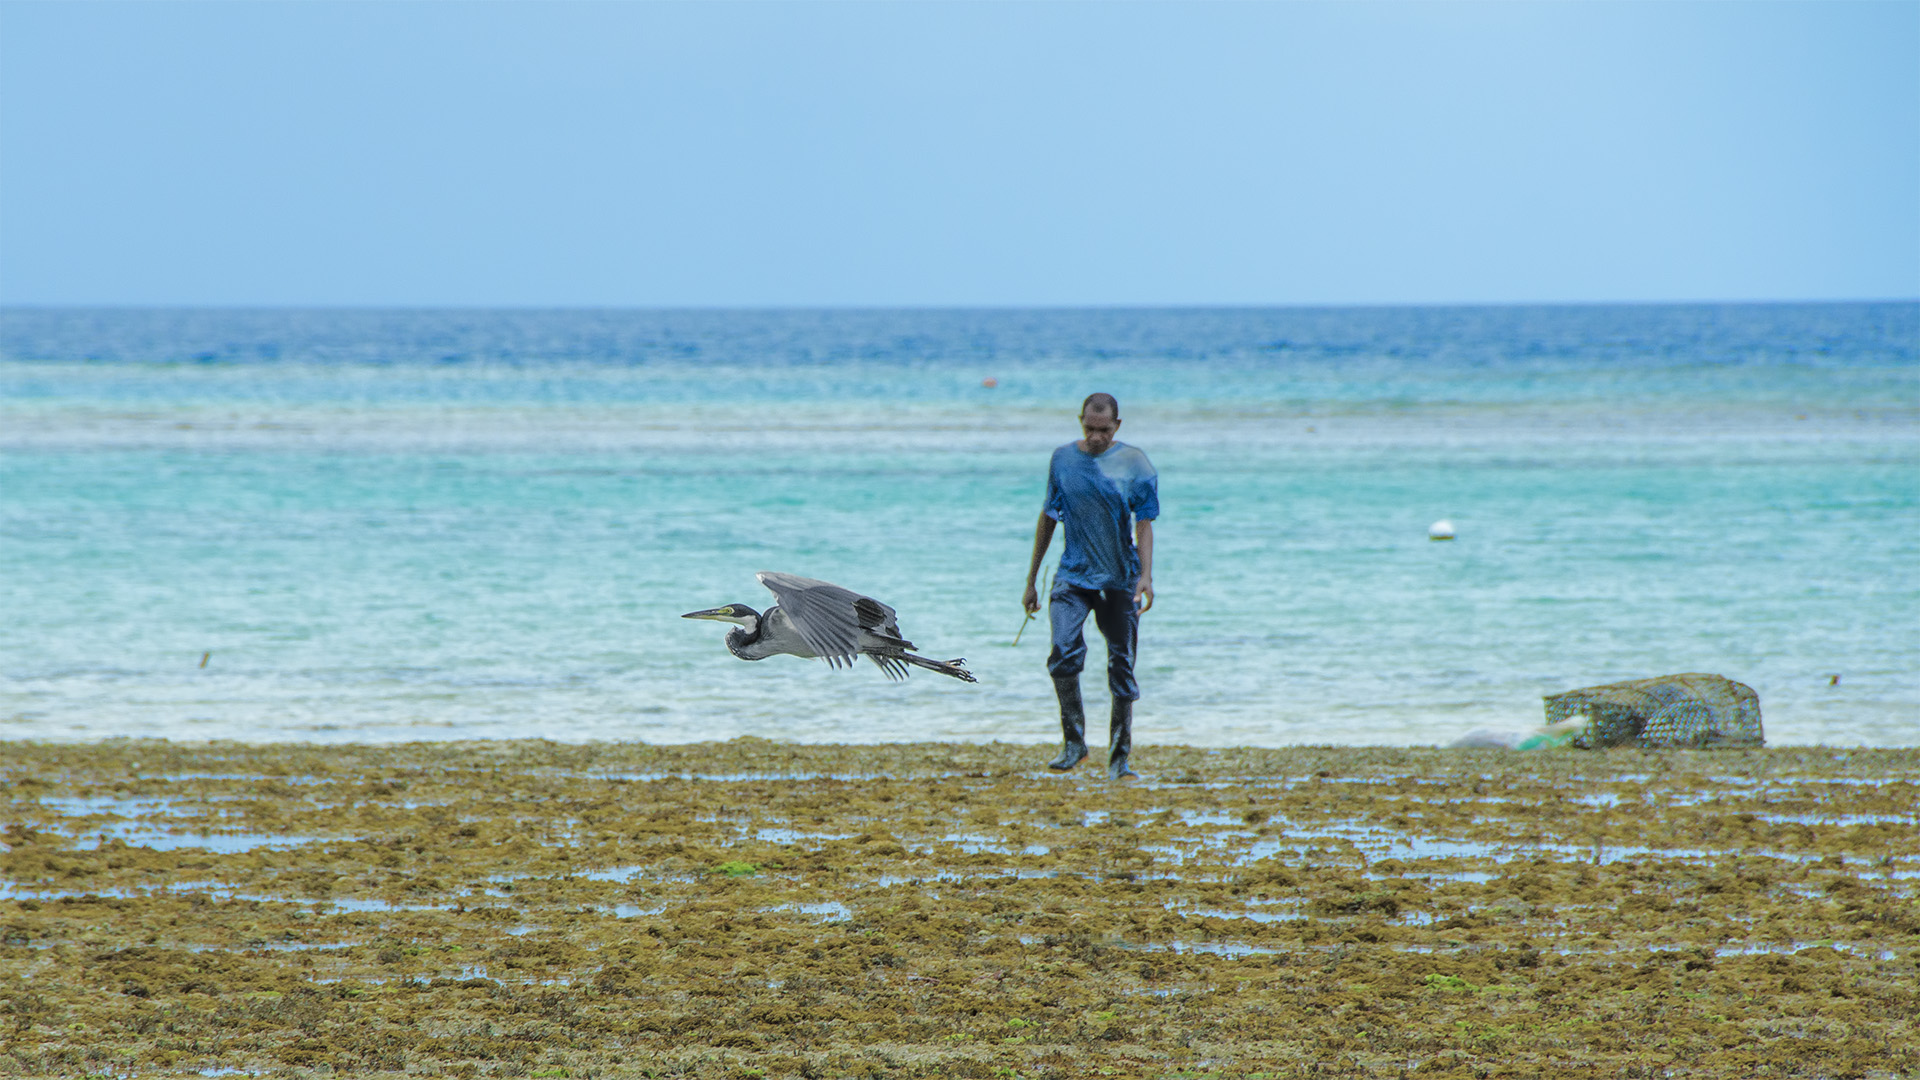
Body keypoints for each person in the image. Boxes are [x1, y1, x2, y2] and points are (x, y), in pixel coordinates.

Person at [1021, 393, 1158, 779]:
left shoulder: (1136, 464)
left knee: (1122, 667)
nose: (1096, 437)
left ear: (1117, 426)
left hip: (1120, 579)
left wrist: (1146, 576)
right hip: (1073, 576)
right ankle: (1074, 743)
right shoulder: (1063, 459)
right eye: (1089, 429)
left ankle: (1119, 757)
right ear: (1081, 421)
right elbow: (1048, 517)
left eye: (1104, 430)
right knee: (1062, 654)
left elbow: (1144, 524)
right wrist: (1031, 579)